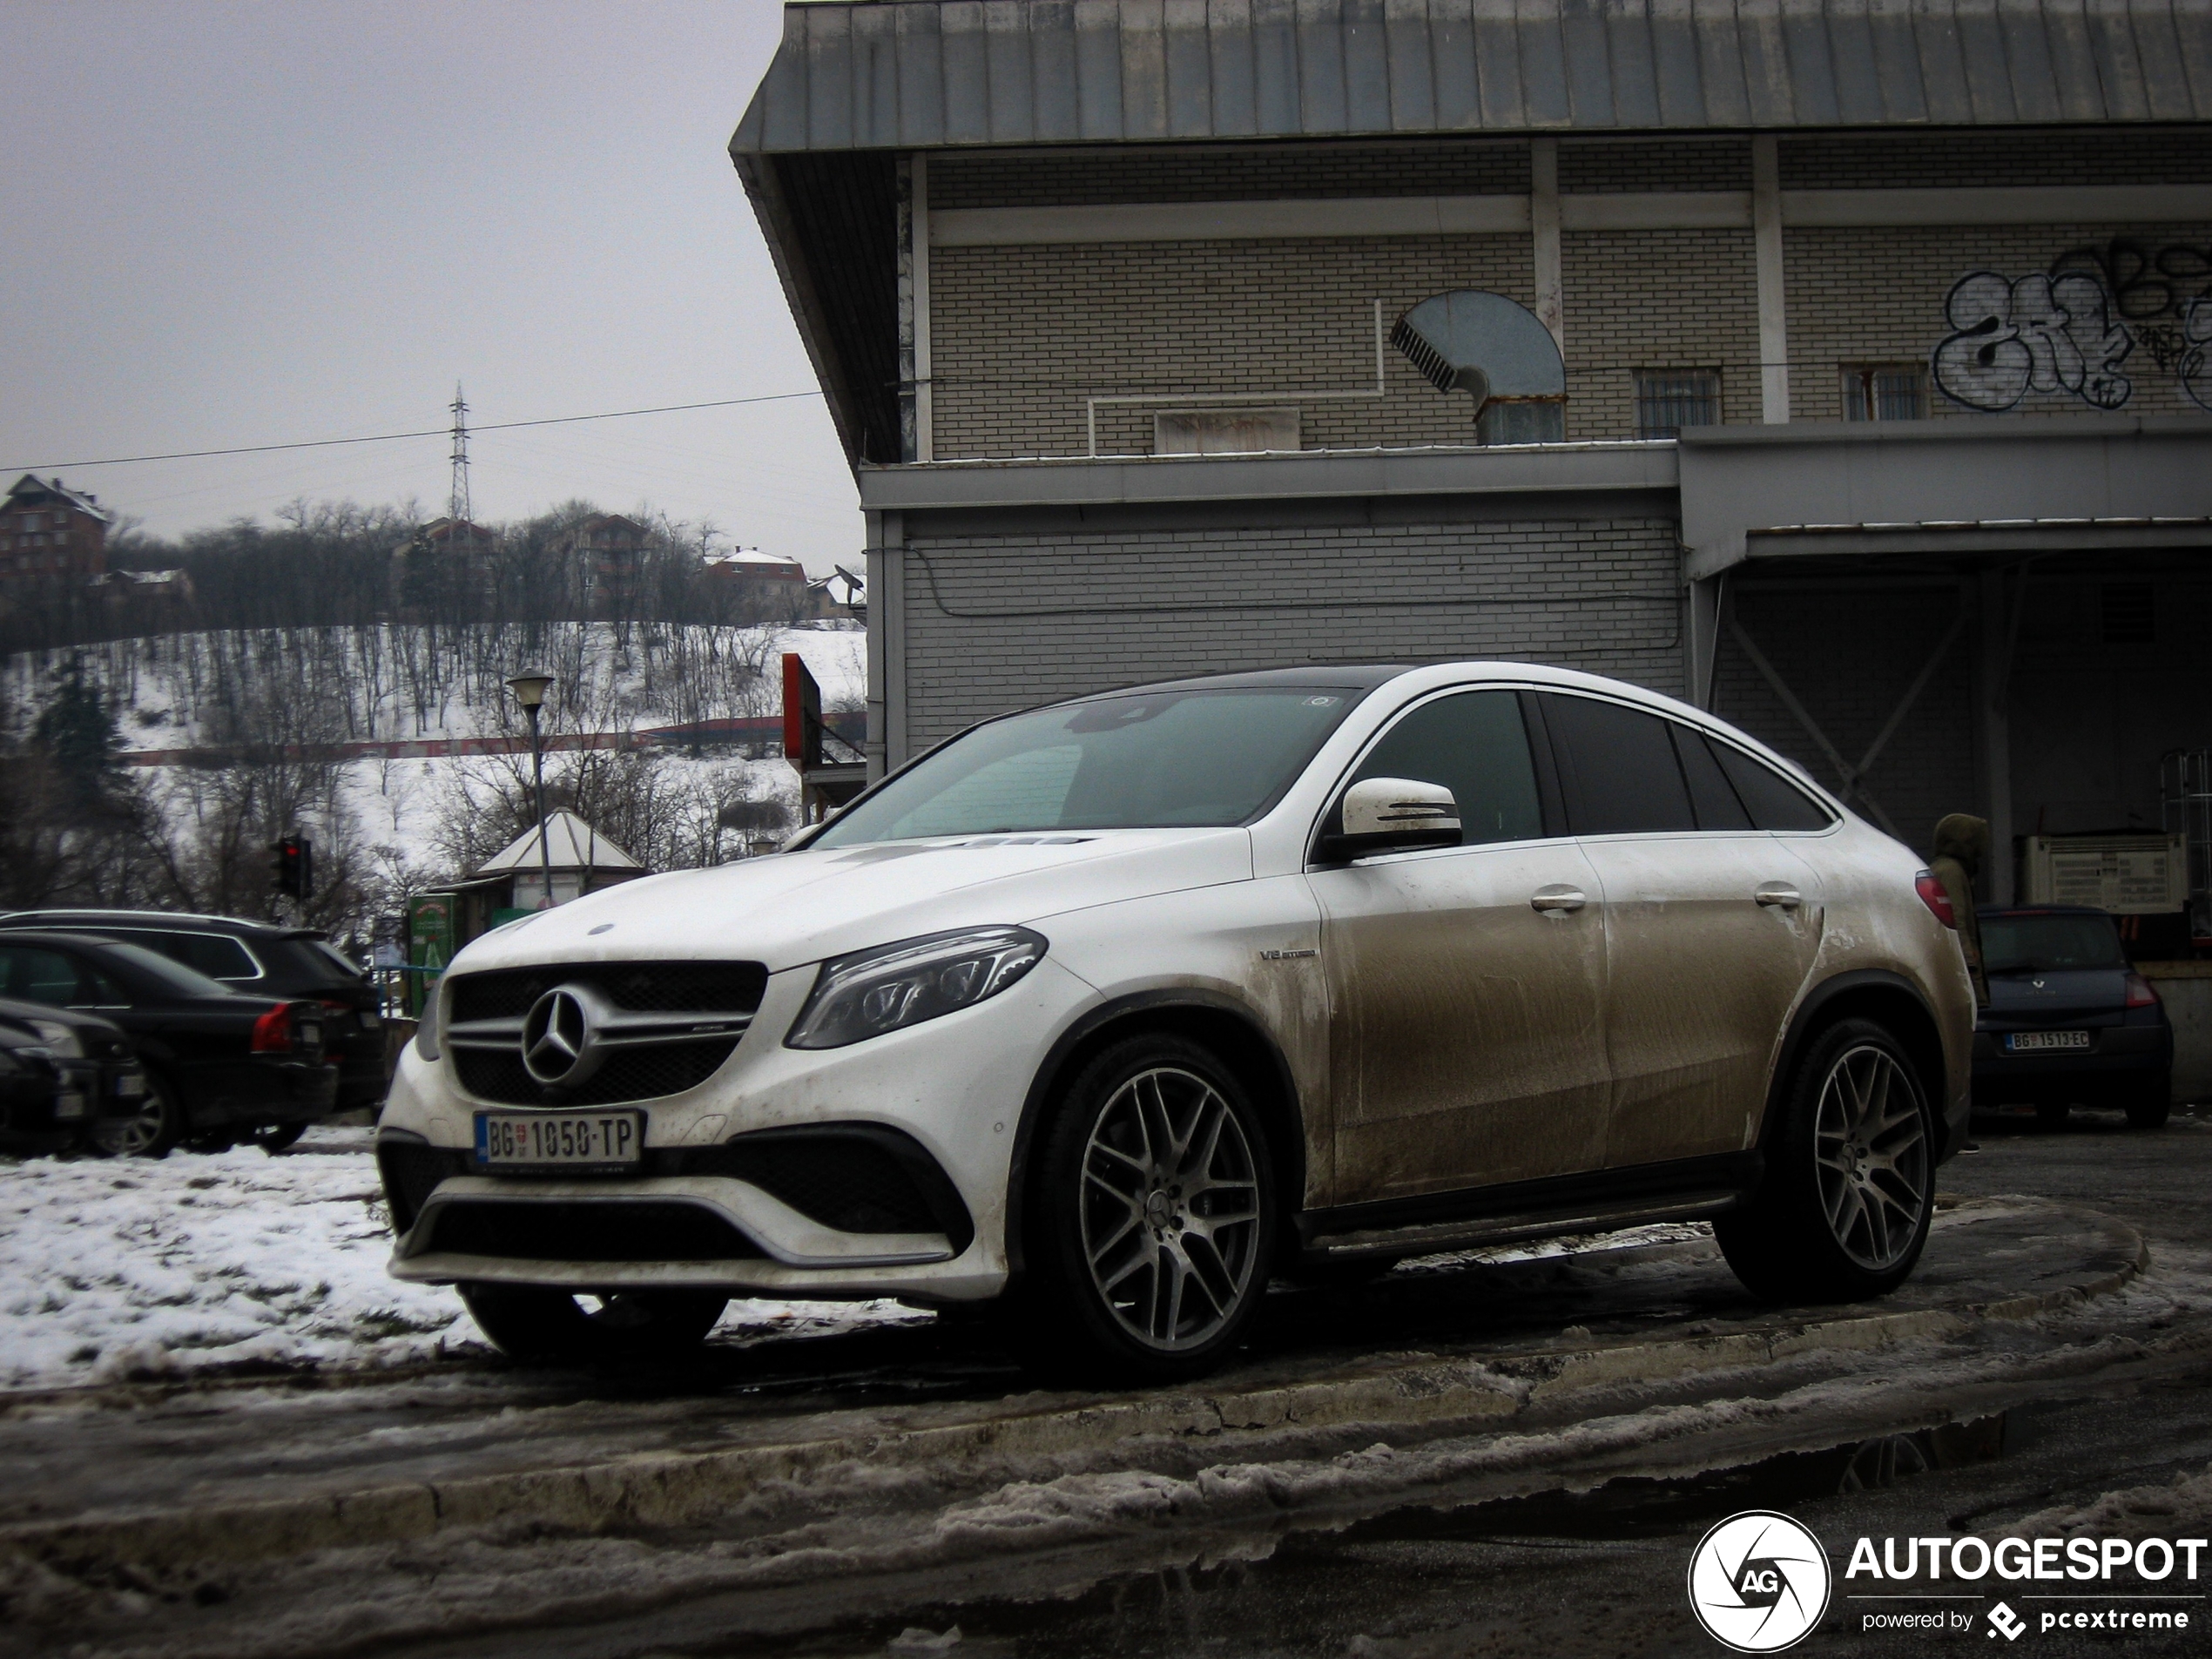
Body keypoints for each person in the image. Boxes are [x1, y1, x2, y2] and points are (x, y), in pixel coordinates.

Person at [1929, 813, 1990, 1008]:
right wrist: (1967, 962)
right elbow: (1956, 919)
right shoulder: (1951, 872)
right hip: (1960, 967)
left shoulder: (1949, 869)